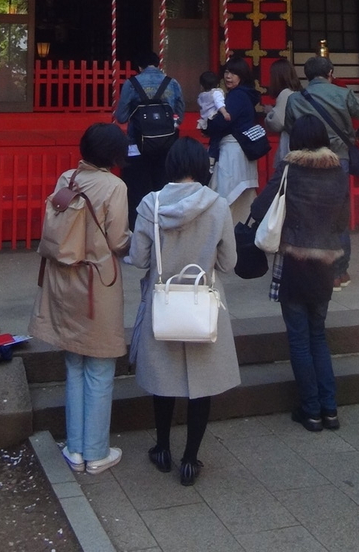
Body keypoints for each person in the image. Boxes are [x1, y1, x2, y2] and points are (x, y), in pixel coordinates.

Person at [128, 136, 240, 484]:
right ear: (201, 166)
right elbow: (228, 262)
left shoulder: (151, 204)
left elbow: (140, 260)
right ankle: (191, 459)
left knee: (164, 379)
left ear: (172, 165)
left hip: (163, 301)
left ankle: (162, 448)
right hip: (202, 301)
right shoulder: (218, 205)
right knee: (201, 384)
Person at [29, 123, 130, 475]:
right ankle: (96, 451)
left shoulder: (67, 178)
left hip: (63, 279)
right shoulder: (114, 186)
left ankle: (74, 448)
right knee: (100, 366)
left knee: (73, 364)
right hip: (96, 282)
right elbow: (118, 240)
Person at [250, 114, 348, 432]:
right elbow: (342, 220)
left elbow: (261, 206)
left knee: (300, 340)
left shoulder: (290, 169)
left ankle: (311, 411)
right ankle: (329, 409)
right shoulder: (337, 171)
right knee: (319, 335)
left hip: (293, 261)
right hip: (325, 262)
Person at [285, 56, 359, 289]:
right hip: (338, 160)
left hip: (305, 161)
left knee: (305, 215)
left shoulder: (295, 99)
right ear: (331, 72)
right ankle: (338, 272)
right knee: (338, 216)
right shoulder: (343, 94)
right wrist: (358, 137)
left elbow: (290, 128)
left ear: (306, 76)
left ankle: (310, 269)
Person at [115, 52, 185, 227]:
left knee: (137, 189)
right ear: (158, 64)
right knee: (164, 188)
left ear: (139, 67)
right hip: (167, 145)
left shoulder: (132, 84)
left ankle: (138, 228)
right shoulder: (173, 83)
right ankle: (165, 226)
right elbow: (180, 116)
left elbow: (122, 117)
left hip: (137, 144)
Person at [206, 57, 262, 224]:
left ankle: (225, 237)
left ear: (242, 76)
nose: (228, 76)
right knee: (243, 201)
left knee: (224, 196)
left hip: (232, 152)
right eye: (227, 72)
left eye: (234, 73)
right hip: (242, 152)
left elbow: (223, 122)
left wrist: (206, 125)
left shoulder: (237, 96)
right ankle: (243, 237)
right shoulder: (245, 95)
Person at [264, 58, 301, 167]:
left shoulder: (285, 94)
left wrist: (270, 113)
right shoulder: (297, 92)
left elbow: (277, 123)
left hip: (289, 143)